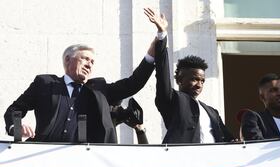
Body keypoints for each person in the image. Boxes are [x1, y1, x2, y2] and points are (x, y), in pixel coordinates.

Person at [4, 31, 160, 143]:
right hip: (42, 157)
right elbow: (15, 109)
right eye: (85, 59)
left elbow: (132, 84)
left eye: (92, 62)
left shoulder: (99, 89)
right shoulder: (45, 83)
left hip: (83, 161)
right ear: (68, 60)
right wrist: (16, 127)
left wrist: (153, 53)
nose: (89, 65)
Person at [144, 8, 234, 144]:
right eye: (194, 79)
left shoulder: (212, 112)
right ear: (179, 80)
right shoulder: (171, 100)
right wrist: (162, 35)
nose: (199, 84)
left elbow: (229, 140)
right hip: (184, 161)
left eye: (202, 81)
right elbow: (162, 74)